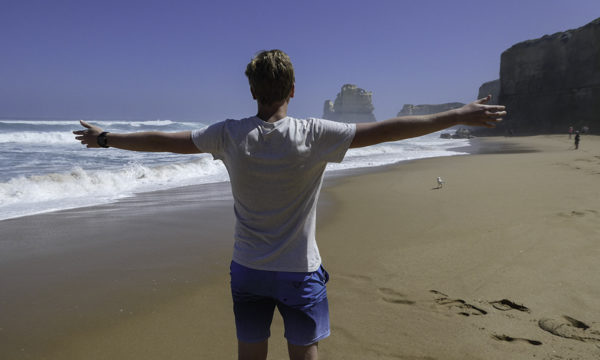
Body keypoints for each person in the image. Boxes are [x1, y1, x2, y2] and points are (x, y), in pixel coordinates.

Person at [73, 49, 506, 360]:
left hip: (247, 269)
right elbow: (389, 130)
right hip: (299, 271)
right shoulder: (315, 134)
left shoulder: (227, 134)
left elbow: (164, 142)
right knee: (303, 354)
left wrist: (107, 138)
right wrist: (456, 115)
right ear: (293, 90)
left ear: (252, 91)